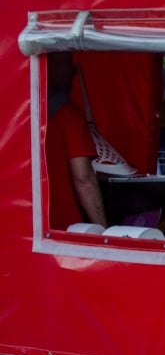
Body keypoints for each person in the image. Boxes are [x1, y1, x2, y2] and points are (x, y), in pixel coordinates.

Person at [45, 52, 107, 230]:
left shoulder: (15, 113)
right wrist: (103, 230)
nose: (72, 72)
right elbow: (83, 178)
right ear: (49, 66)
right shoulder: (69, 116)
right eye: (66, 65)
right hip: (63, 228)